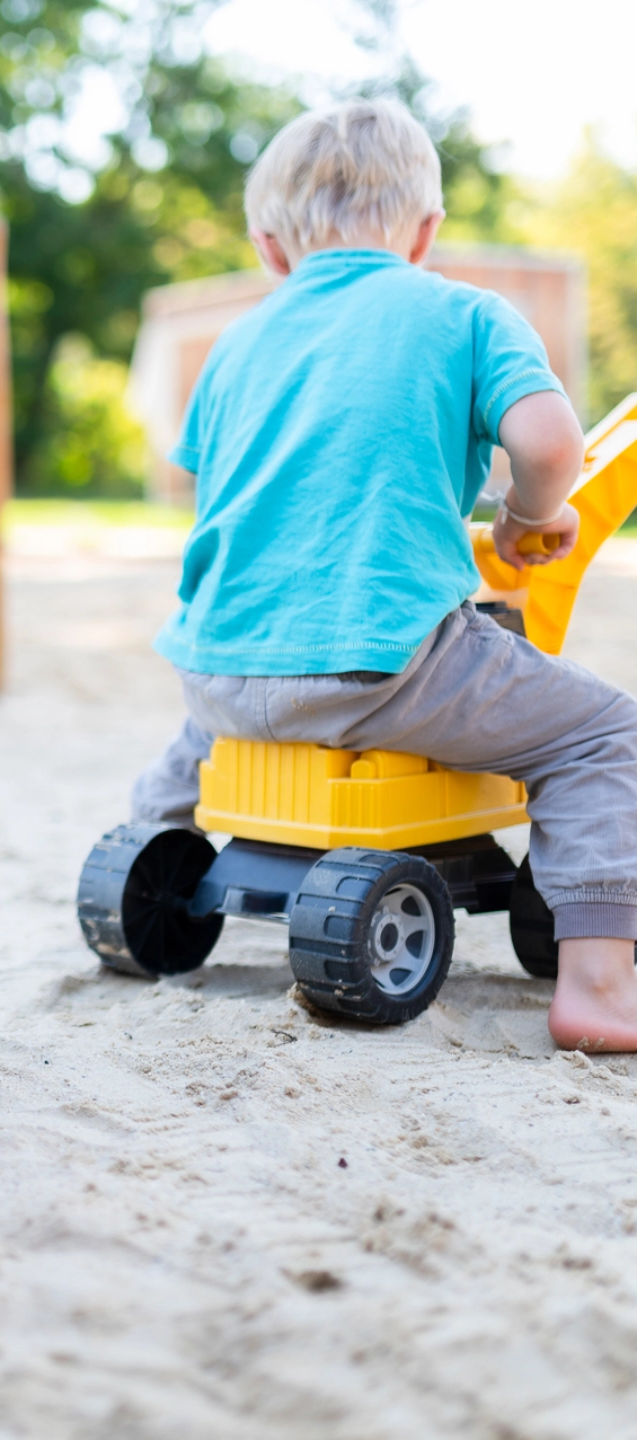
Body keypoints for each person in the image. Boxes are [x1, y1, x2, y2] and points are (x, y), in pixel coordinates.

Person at [131, 99, 637, 1050]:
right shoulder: (464, 311)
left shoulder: (235, 344)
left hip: (217, 672)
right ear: (427, 233)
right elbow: (549, 441)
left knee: (206, 737)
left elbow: (217, 490)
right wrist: (528, 516)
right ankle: (601, 988)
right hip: (381, 662)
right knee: (604, 732)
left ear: (270, 249)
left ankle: (148, 857)